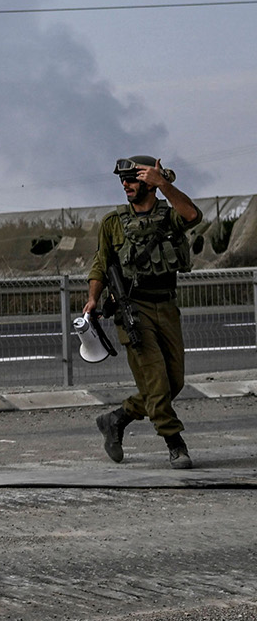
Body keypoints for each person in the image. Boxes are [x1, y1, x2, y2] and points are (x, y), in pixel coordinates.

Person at [87, 155, 204, 469]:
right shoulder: (113, 223)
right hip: (132, 309)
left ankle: (117, 418)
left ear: (149, 182)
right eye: (122, 180)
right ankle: (175, 442)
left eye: (132, 179)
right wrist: (92, 299)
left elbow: (192, 215)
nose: (125, 185)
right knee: (156, 380)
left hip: (165, 305)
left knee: (174, 382)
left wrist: (164, 184)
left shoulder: (169, 215)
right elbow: (101, 262)